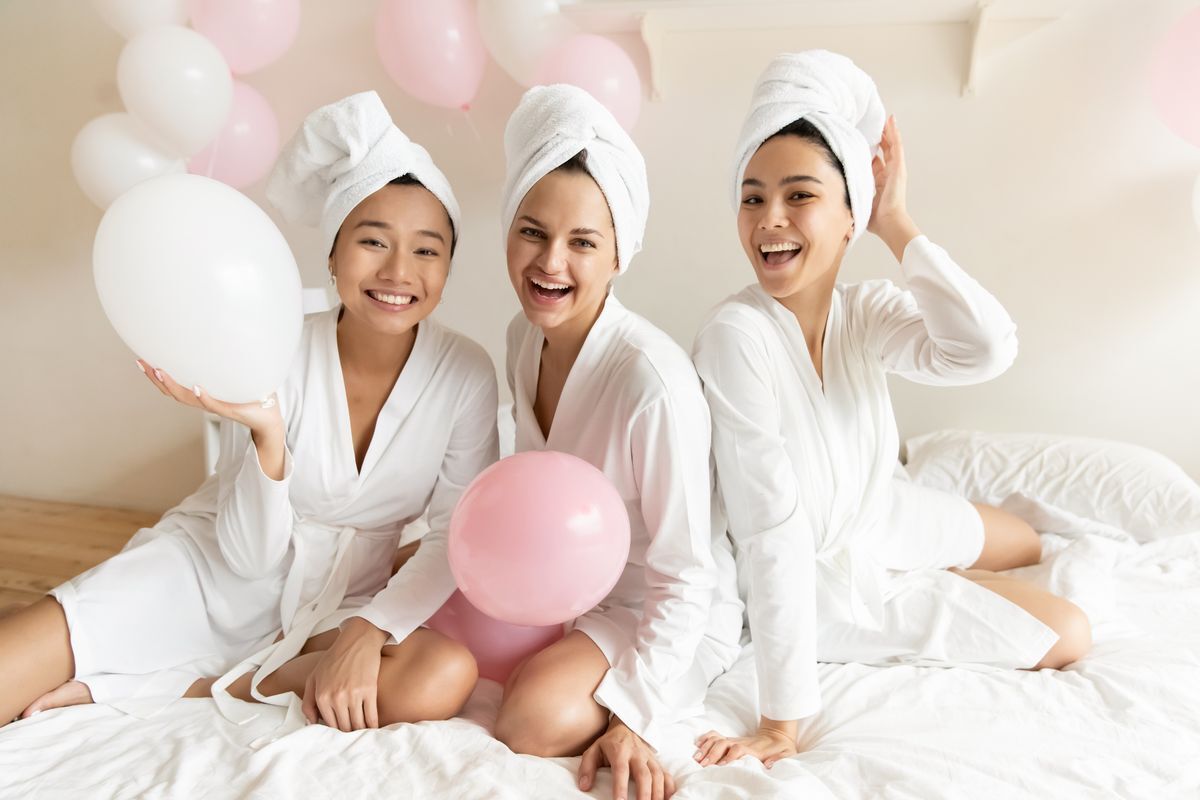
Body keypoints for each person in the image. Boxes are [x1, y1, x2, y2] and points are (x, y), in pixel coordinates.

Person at [0, 91, 498, 733]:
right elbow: (248, 556)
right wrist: (267, 438)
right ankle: (166, 672)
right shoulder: (275, 341)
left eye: (426, 250)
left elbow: (453, 533)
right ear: (333, 255)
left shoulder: (466, 373)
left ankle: (199, 687)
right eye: (373, 241)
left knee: (442, 674)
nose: (399, 271)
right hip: (209, 575)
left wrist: (369, 630)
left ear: (448, 266)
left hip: (337, 605)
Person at [690, 51, 1092, 768]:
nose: (769, 220)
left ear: (852, 217)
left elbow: (985, 348)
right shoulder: (734, 337)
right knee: (1068, 632)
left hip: (884, 514)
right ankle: (930, 590)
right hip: (825, 578)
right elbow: (771, 533)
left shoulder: (866, 312)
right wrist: (782, 723)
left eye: (799, 195)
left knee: (1027, 543)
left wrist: (898, 222)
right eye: (752, 197)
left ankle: (941, 571)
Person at [491, 84, 742, 800]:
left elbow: (686, 573)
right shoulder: (521, 340)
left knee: (531, 720)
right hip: (564, 583)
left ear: (619, 253)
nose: (551, 264)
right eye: (532, 232)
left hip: (656, 606)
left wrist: (635, 713)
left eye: (583, 243)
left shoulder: (649, 382)